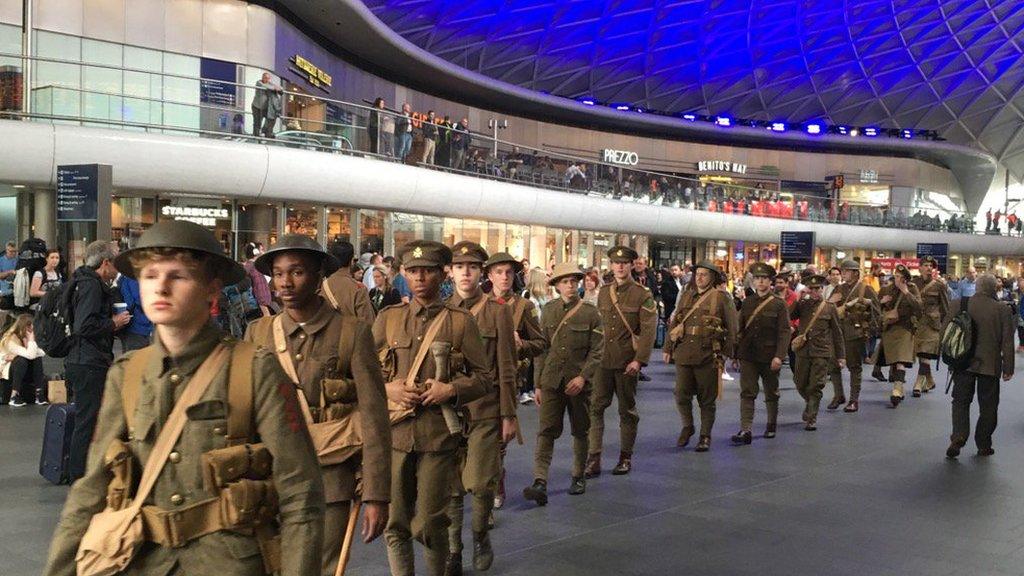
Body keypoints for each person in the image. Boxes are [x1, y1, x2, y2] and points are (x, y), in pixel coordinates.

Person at [44, 220, 324, 576]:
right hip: (142, 561)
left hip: (228, 564)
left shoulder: (254, 369)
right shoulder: (126, 374)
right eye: (149, 275)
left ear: (211, 289)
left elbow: (301, 494)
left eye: (178, 276)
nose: (160, 286)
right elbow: (91, 489)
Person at [244, 234, 391, 576]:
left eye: (296, 271)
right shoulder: (258, 333)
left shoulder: (351, 333)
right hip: (271, 476)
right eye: (278, 273)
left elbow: (374, 415)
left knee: (319, 568)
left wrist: (376, 492)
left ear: (318, 275)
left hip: (331, 478)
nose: (285, 282)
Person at [374, 240, 489, 576]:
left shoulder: (460, 322)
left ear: (442, 275)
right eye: (412, 271)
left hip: (438, 437)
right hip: (395, 435)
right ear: (403, 274)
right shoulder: (388, 319)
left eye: (427, 271)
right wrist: (388, 389)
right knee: (394, 522)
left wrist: (450, 389)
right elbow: (366, 375)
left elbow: (483, 379)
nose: (420, 277)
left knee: (431, 522)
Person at [444, 241, 517, 575]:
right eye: (460, 266)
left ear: (481, 273)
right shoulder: (443, 310)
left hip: (486, 409)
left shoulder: (498, 310)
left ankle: (479, 536)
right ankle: (454, 549)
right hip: (449, 412)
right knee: (452, 484)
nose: (466, 273)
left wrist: (509, 414)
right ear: (451, 271)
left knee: (482, 481)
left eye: (472, 267)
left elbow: (506, 366)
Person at [524, 263, 602, 505]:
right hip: (551, 381)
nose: (570, 286)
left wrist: (583, 376)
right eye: (565, 282)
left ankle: (578, 475)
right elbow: (541, 350)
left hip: (578, 383)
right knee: (546, 431)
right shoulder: (548, 312)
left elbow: (597, 351)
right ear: (556, 286)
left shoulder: (590, 313)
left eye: (573, 281)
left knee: (580, 430)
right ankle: (540, 480)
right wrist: (537, 384)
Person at [586, 246, 657, 474]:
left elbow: (648, 330)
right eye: (616, 263)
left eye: (625, 263)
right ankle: (594, 457)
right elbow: (597, 326)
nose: (620, 266)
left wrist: (639, 360)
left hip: (627, 362)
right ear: (611, 265)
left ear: (631, 265)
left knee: (627, 411)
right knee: (595, 408)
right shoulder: (605, 292)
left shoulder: (642, 294)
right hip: (603, 361)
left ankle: (625, 456)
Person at [485, 253, 547, 510]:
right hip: (478, 378)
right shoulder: (478, 304)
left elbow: (541, 343)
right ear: (489, 276)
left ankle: (496, 484)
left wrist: (521, 345)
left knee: (500, 439)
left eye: (509, 272)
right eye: (498, 272)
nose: (504, 277)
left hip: (508, 379)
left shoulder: (524, 307)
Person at [65, 240, 131, 481]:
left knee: (87, 417)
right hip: (89, 361)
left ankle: (80, 471)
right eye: (115, 262)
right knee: (87, 419)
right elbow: (85, 325)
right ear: (105, 263)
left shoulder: (80, 281)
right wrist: (114, 323)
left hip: (80, 359)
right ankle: (80, 475)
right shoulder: (92, 286)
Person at [664, 261, 737, 451]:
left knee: (706, 399)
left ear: (712, 277)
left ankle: (705, 436)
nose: (700, 278)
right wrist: (667, 347)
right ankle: (688, 426)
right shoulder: (687, 295)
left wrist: (727, 354)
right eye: (697, 274)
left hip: (708, 354)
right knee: (681, 394)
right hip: (684, 352)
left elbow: (732, 328)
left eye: (704, 274)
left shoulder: (721, 298)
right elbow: (676, 321)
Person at [946, 274, 1015, 458]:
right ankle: (983, 444)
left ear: (976, 287)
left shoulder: (959, 304)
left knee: (960, 401)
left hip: (963, 363)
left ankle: (958, 436)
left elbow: (946, 333)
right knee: (989, 406)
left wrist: (949, 360)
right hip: (989, 366)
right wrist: (1008, 368)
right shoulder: (1002, 309)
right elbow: (1007, 342)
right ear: (994, 288)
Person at [730, 263, 790, 444]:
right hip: (748, 354)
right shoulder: (748, 303)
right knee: (747, 392)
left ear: (770, 282)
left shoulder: (779, 304)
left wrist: (779, 355)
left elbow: (784, 332)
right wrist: (735, 354)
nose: (760, 281)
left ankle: (771, 424)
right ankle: (745, 429)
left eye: (764, 278)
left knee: (771, 392)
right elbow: (739, 329)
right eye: (757, 278)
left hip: (770, 355)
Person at [788, 275, 845, 431]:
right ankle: (810, 402)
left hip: (821, 351)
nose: (814, 291)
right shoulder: (803, 305)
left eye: (817, 288)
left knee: (816, 386)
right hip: (803, 352)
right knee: (799, 383)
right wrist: (799, 298)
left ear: (822, 289)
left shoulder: (829, 307)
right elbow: (789, 315)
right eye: (811, 288)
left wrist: (841, 356)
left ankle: (812, 417)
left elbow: (837, 333)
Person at [827, 259, 880, 412]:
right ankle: (838, 395)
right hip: (837, 332)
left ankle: (853, 399)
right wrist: (831, 301)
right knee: (833, 365)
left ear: (856, 273)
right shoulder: (838, 289)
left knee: (854, 366)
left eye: (847, 271)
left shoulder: (866, 289)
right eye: (842, 271)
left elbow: (876, 312)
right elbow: (827, 310)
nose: (843, 274)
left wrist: (870, 331)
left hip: (855, 332)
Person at [878, 265, 921, 407]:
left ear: (905, 279)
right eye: (895, 276)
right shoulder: (887, 289)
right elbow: (877, 309)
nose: (896, 279)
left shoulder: (912, 289)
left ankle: (897, 388)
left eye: (899, 276)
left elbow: (919, 308)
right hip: (890, 329)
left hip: (905, 328)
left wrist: (906, 292)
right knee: (894, 361)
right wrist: (881, 303)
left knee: (900, 360)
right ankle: (899, 388)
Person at [911, 256, 950, 397]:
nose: (929, 268)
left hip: (932, 324)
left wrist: (946, 328)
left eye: (931, 266)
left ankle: (918, 383)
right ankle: (929, 380)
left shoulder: (940, 285)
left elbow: (945, 308)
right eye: (926, 265)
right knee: (921, 354)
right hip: (917, 323)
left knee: (925, 353)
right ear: (920, 267)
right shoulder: (913, 283)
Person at [324, 240, 375, 323]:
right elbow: (367, 325)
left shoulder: (321, 286)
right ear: (352, 261)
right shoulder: (358, 289)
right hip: (349, 335)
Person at [1, 314, 46, 406]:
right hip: (6, 371)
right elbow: (30, 354)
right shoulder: (10, 339)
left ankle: (39, 394)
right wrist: (31, 342)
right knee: (21, 359)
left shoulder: (27, 338)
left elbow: (42, 352)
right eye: (29, 328)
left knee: (37, 359)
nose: (31, 331)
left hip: (22, 370)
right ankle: (14, 396)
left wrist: (30, 343)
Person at [117, 275, 152, 352]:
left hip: (129, 324)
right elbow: (140, 299)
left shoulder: (124, 277)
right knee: (137, 359)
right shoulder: (132, 278)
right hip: (138, 326)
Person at [251, 71, 283, 138]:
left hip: (266, 107)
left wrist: (278, 88)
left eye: (268, 78)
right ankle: (256, 135)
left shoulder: (269, 83)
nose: (266, 79)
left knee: (271, 119)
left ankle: (267, 132)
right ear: (262, 77)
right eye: (265, 78)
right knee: (257, 122)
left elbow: (279, 88)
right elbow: (265, 87)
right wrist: (275, 88)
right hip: (257, 107)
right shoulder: (259, 82)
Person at [0, 241, 18, 308]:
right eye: (11, 251)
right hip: (4, 292)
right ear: (6, 250)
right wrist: (9, 272)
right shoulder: (1, 261)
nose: (13, 253)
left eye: (15, 251)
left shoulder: (18, 260)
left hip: (15, 291)